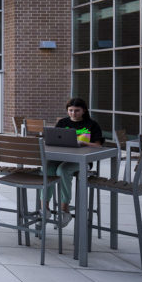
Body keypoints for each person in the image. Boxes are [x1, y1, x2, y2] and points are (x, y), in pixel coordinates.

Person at [44, 97, 104, 228]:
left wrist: (84, 143)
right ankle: (45, 208)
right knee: (47, 168)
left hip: (82, 161)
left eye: (77, 111)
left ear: (84, 111)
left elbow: (99, 145)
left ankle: (64, 209)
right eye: (70, 110)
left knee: (63, 170)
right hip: (61, 158)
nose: (73, 113)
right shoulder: (62, 122)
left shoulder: (92, 124)